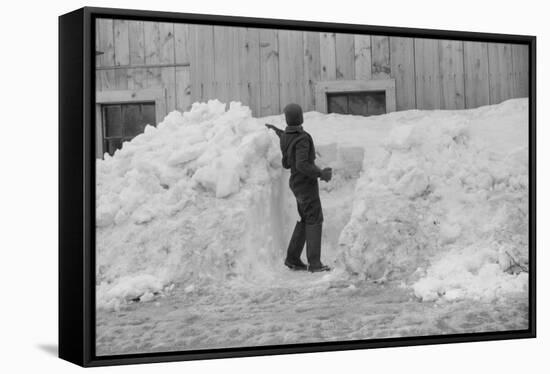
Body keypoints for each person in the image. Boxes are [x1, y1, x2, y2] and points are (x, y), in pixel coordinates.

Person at [266, 103, 332, 272]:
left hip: (296, 184)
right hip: (305, 184)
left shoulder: (287, 136)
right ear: (301, 117)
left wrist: (277, 131)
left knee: (305, 218)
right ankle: (315, 263)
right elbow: (302, 164)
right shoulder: (302, 138)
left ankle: (293, 258)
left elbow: (286, 138)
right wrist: (320, 173)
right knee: (314, 218)